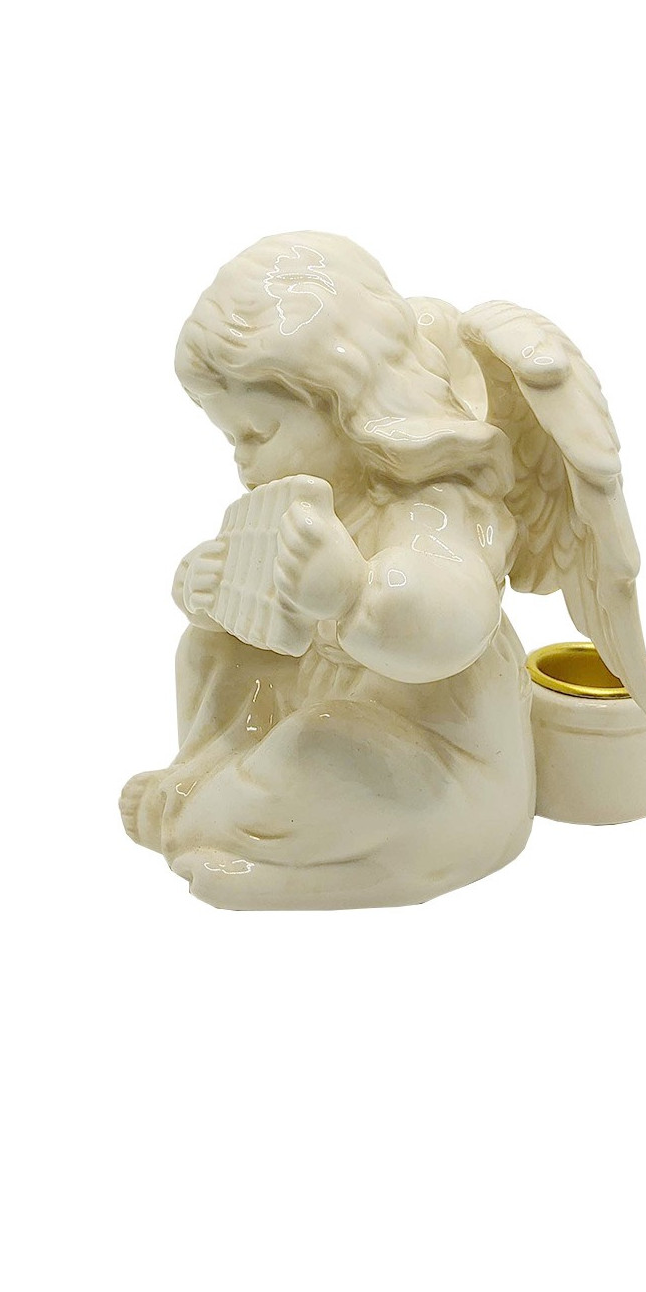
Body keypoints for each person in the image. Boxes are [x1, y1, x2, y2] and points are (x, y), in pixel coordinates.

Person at [120, 232, 535, 908]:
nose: (243, 462)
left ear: (343, 406)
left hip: (443, 771)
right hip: (323, 722)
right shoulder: (307, 505)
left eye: (258, 434)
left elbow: (454, 624)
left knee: (316, 752)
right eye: (232, 439)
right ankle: (204, 780)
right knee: (209, 647)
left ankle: (216, 823)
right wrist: (207, 589)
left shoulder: (434, 501)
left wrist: (352, 595)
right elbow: (256, 619)